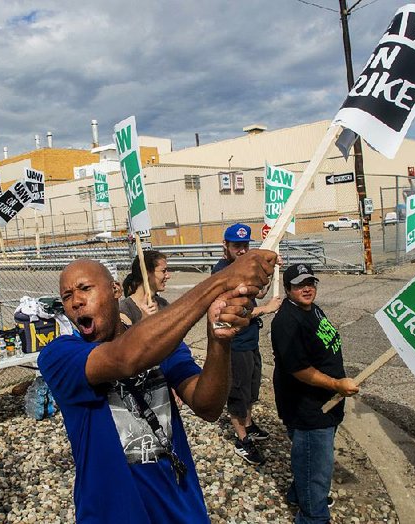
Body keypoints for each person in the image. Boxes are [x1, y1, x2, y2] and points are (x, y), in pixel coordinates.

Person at [38, 250, 277, 523]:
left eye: (85, 289)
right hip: (110, 512)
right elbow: (124, 358)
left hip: (179, 504)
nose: (76, 302)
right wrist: (220, 281)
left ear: (115, 289)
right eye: (67, 296)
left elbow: (208, 406)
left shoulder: (159, 342)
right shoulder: (59, 356)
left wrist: (219, 339)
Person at [271, 263, 359, 524]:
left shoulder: (313, 309)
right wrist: (335, 385)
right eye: (299, 284)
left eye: (310, 282)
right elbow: (298, 370)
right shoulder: (286, 322)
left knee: (310, 463)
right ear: (287, 289)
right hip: (308, 408)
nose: (307, 288)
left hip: (326, 403)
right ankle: (313, 516)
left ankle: (299, 494)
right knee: (317, 471)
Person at [211, 223, 281, 465]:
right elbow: (229, 315)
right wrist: (266, 310)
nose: (242, 251)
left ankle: (249, 425)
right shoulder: (222, 273)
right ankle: (242, 440)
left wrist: (270, 275)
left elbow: (257, 294)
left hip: (250, 339)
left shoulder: (246, 268)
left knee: (251, 387)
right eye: (236, 246)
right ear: (226, 246)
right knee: (238, 391)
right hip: (236, 343)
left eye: (245, 246)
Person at [119, 250, 171, 325]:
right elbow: (127, 336)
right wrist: (144, 321)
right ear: (146, 273)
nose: (168, 276)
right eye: (163, 271)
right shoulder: (125, 309)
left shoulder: (163, 303)